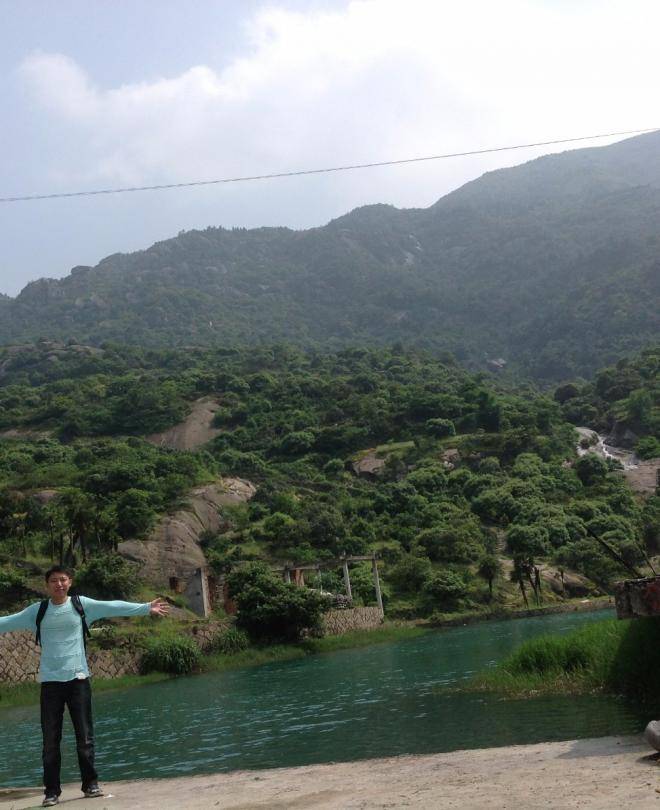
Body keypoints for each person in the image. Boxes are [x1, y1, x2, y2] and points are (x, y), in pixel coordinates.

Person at [0, 565, 169, 807]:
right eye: (54, 581)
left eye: (63, 580)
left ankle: (90, 785)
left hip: (78, 680)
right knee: (50, 741)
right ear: (47, 585)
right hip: (50, 683)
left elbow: (112, 606)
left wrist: (145, 608)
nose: (59, 584)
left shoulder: (81, 605)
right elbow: (6, 622)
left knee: (85, 737)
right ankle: (51, 792)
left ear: (70, 582)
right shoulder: (38, 611)